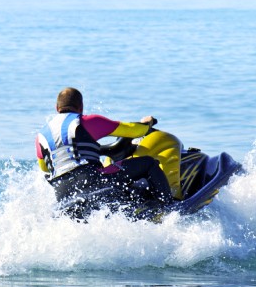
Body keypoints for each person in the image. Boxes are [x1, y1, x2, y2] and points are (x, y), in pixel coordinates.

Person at [36, 87, 173, 219]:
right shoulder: (87, 121)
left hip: (63, 194)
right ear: (81, 107)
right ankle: (169, 210)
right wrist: (146, 123)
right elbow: (134, 131)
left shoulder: (40, 136)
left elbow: (44, 168)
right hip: (93, 182)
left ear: (57, 108)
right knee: (148, 163)